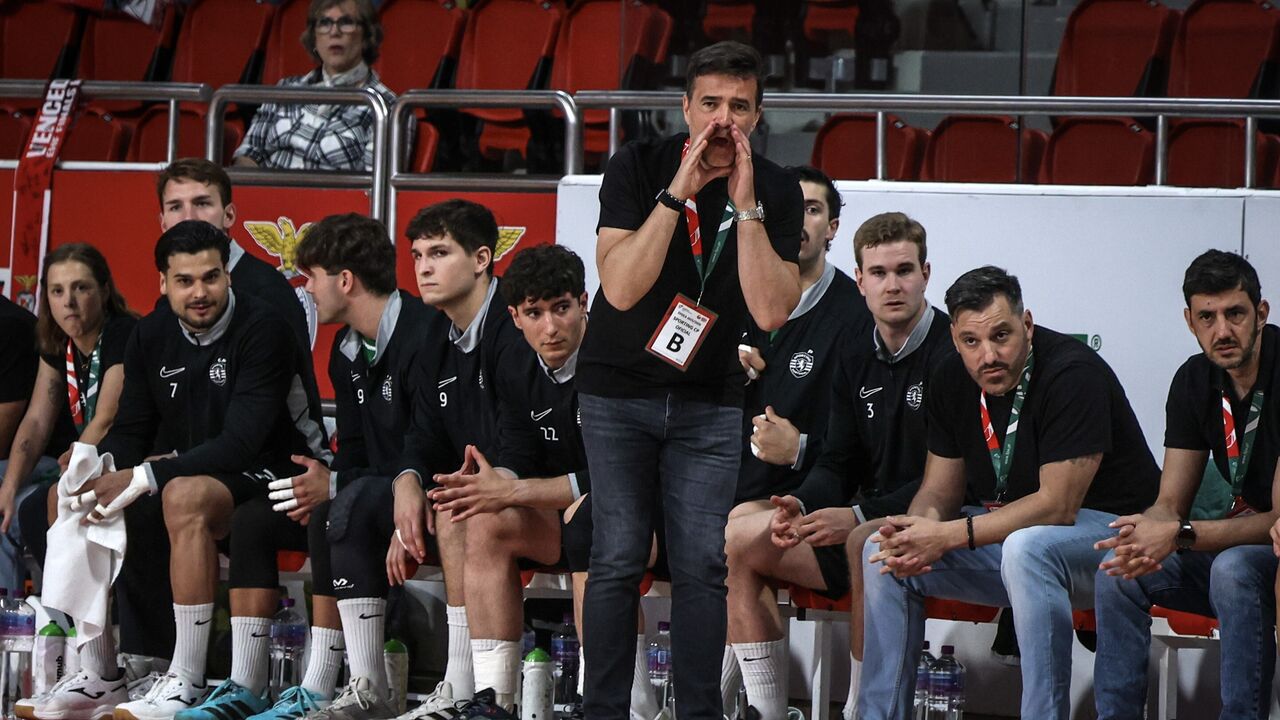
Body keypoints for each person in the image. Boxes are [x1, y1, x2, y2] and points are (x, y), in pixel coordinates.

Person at [577, 40, 803, 720]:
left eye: (739, 107)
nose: (723, 121)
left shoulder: (778, 188)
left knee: (705, 566)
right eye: (710, 104)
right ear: (685, 108)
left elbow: (771, 309)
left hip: (708, 397)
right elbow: (618, 289)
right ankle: (604, 712)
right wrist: (679, 190)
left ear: (758, 117)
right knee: (617, 558)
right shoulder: (636, 166)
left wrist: (747, 205)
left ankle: (699, 712)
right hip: (617, 390)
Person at [860, 265, 1159, 720]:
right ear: (956, 339)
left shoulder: (1073, 373)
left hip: (1112, 540)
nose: (988, 356)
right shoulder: (950, 376)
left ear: (1028, 325)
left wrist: (948, 536)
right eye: (971, 342)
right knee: (881, 552)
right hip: (1011, 536)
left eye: (1002, 336)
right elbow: (938, 490)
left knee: (1028, 547)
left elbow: (1057, 505)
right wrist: (919, 530)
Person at [57, 220, 329, 720]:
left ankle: (186, 678)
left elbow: (242, 443)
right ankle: (101, 673)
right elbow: (133, 429)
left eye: (211, 277)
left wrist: (142, 477)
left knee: (179, 495)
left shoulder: (264, 328)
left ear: (228, 275)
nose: (200, 292)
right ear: (162, 282)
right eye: (185, 281)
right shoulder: (151, 334)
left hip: (279, 470)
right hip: (205, 471)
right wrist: (93, 464)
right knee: (77, 494)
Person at [724, 211, 949, 720]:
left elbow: (949, 484)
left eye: (904, 271)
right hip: (859, 517)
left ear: (926, 275)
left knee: (863, 541)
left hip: (930, 527)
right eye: (879, 273)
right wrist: (801, 502)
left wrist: (855, 514)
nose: (893, 285)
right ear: (860, 280)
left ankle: (859, 709)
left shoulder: (951, 352)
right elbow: (839, 459)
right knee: (741, 538)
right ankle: (765, 710)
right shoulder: (854, 349)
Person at [328, 199, 523, 720]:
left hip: (533, 492)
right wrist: (407, 482)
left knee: (456, 510)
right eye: (417, 255)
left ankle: (463, 689)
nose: (424, 268)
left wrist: (448, 489)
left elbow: (522, 443)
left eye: (440, 252)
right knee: (352, 504)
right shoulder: (432, 332)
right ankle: (364, 686)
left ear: (482, 259)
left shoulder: (513, 327)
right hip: (472, 493)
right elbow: (422, 435)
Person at [1093, 249, 1280, 720]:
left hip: (1269, 551)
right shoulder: (1194, 379)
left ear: (1261, 312)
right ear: (1189, 321)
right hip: (1228, 544)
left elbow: (1277, 522)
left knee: (1233, 570)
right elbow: (1170, 501)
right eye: (1207, 317)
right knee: (1120, 570)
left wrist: (1180, 534)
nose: (1222, 331)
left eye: (1235, 314)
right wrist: (1148, 530)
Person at [719, 167, 870, 717]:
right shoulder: (738, 298)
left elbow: (868, 440)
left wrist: (802, 446)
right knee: (717, 530)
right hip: (752, 496)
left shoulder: (856, 316)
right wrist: (721, 375)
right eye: (789, 209)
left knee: (729, 541)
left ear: (832, 227)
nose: (799, 221)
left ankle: (749, 708)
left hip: (833, 507)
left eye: (812, 209)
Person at [0, 245, 134, 598]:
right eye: (57, 291)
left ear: (104, 290)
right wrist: (9, 488)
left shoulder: (124, 333)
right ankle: (39, 622)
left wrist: (66, 479)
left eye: (81, 288)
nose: (69, 302)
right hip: (81, 459)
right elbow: (35, 423)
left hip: (127, 458)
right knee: (15, 505)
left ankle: (80, 619)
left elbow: (105, 418)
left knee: (39, 509)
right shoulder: (58, 341)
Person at [232, 0, 395, 171]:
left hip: (332, 196)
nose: (334, 31)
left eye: (346, 22)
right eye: (324, 23)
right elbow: (250, 153)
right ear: (314, 37)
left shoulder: (386, 107)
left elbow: (373, 187)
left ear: (366, 35)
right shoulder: (285, 90)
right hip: (266, 192)